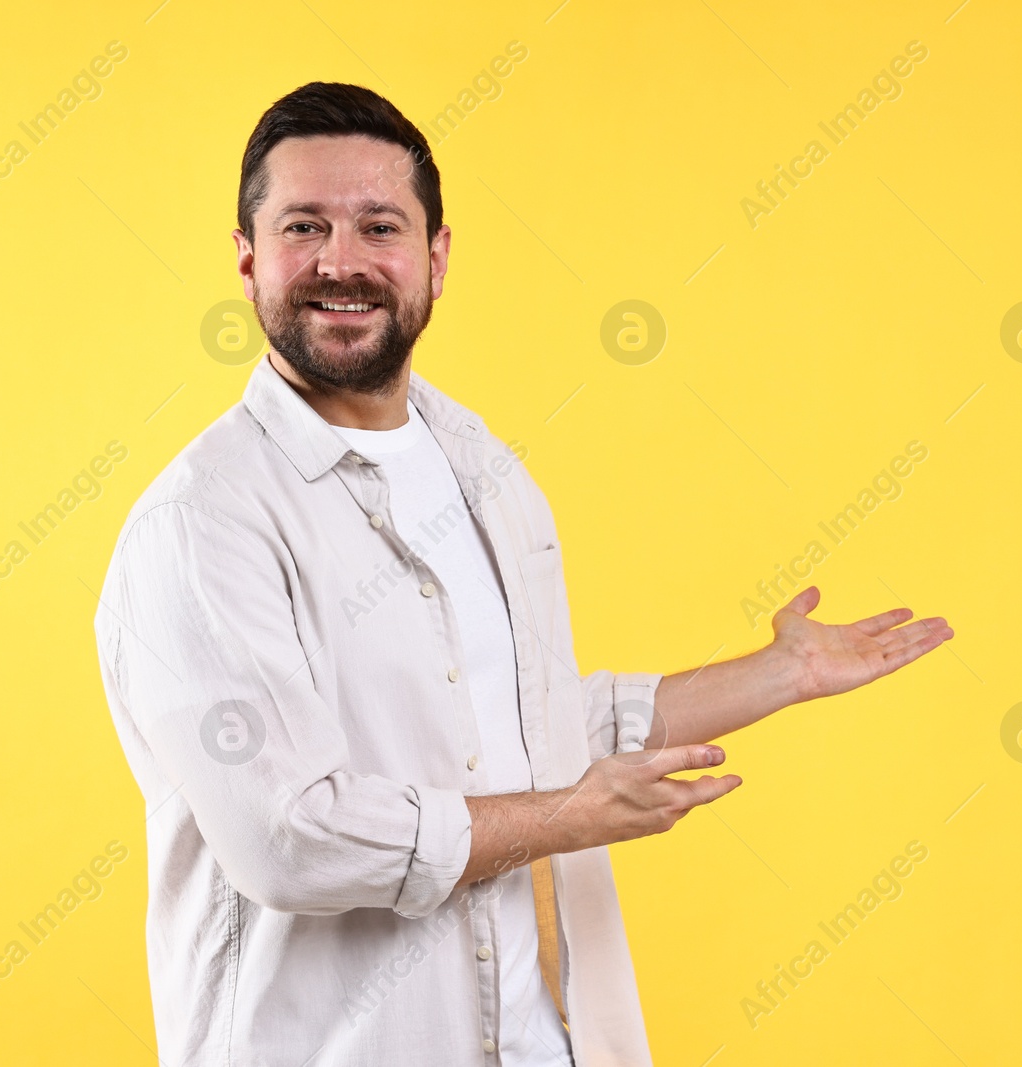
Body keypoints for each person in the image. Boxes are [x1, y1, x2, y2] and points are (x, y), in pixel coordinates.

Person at [92, 81, 953, 1067]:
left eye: (379, 225)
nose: (341, 261)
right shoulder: (204, 521)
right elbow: (289, 835)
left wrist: (778, 674)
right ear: (247, 258)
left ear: (436, 257)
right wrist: (568, 818)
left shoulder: (485, 474)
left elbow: (517, 730)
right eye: (303, 226)